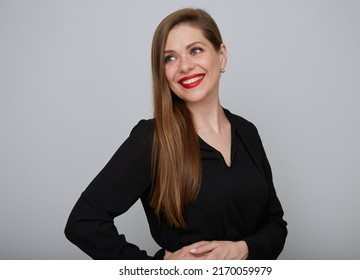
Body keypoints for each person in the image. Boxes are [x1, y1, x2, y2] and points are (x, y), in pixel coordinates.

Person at [65, 8, 287, 260]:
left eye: (195, 50)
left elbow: (276, 224)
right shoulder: (153, 139)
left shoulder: (247, 132)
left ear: (221, 55)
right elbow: (83, 222)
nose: (184, 66)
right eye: (170, 58)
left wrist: (242, 249)